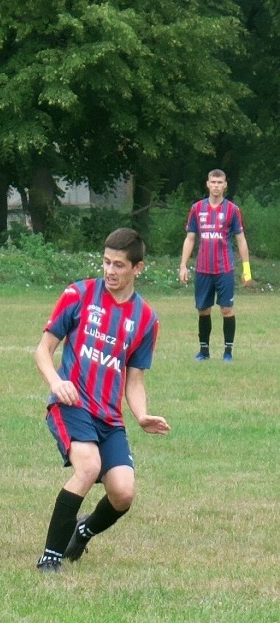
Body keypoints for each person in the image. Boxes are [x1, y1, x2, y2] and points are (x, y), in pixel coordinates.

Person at [34, 228, 171, 574]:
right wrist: (56, 381)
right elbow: (43, 350)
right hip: (71, 405)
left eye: (119, 265)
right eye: (107, 262)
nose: (110, 270)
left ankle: (83, 530)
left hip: (109, 419)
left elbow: (135, 380)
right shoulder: (79, 294)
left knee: (123, 493)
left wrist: (141, 415)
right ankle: (50, 557)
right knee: (88, 466)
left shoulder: (146, 319)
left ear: (138, 268)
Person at [179, 169, 252, 361]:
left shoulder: (232, 210)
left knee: (226, 309)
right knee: (203, 309)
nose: (216, 186)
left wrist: (247, 270)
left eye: (220, 182)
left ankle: (228, 353)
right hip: (203, 268)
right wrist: (183, 265)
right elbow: (190, 238)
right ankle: (204, 351)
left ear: (225, 184)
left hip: (224, 269)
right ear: (208, 184)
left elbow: (241, 240)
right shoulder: (196, 208)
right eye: (213, 182)